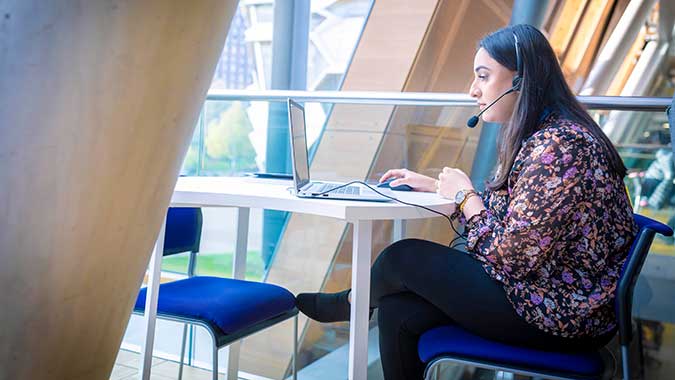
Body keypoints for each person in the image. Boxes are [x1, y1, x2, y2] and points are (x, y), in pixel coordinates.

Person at [296, 24, 638, 380]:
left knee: (403, 257)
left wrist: (465, 195)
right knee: (396, 309)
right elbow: (518, 218)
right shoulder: (548, 136)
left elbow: (513, 256)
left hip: (564, 314)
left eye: (483, 76)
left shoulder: (560, 147)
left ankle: (353, 302)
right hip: (550, 294)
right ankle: (357, 301)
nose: (473, 90)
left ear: (521, 81)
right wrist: (440, 188)